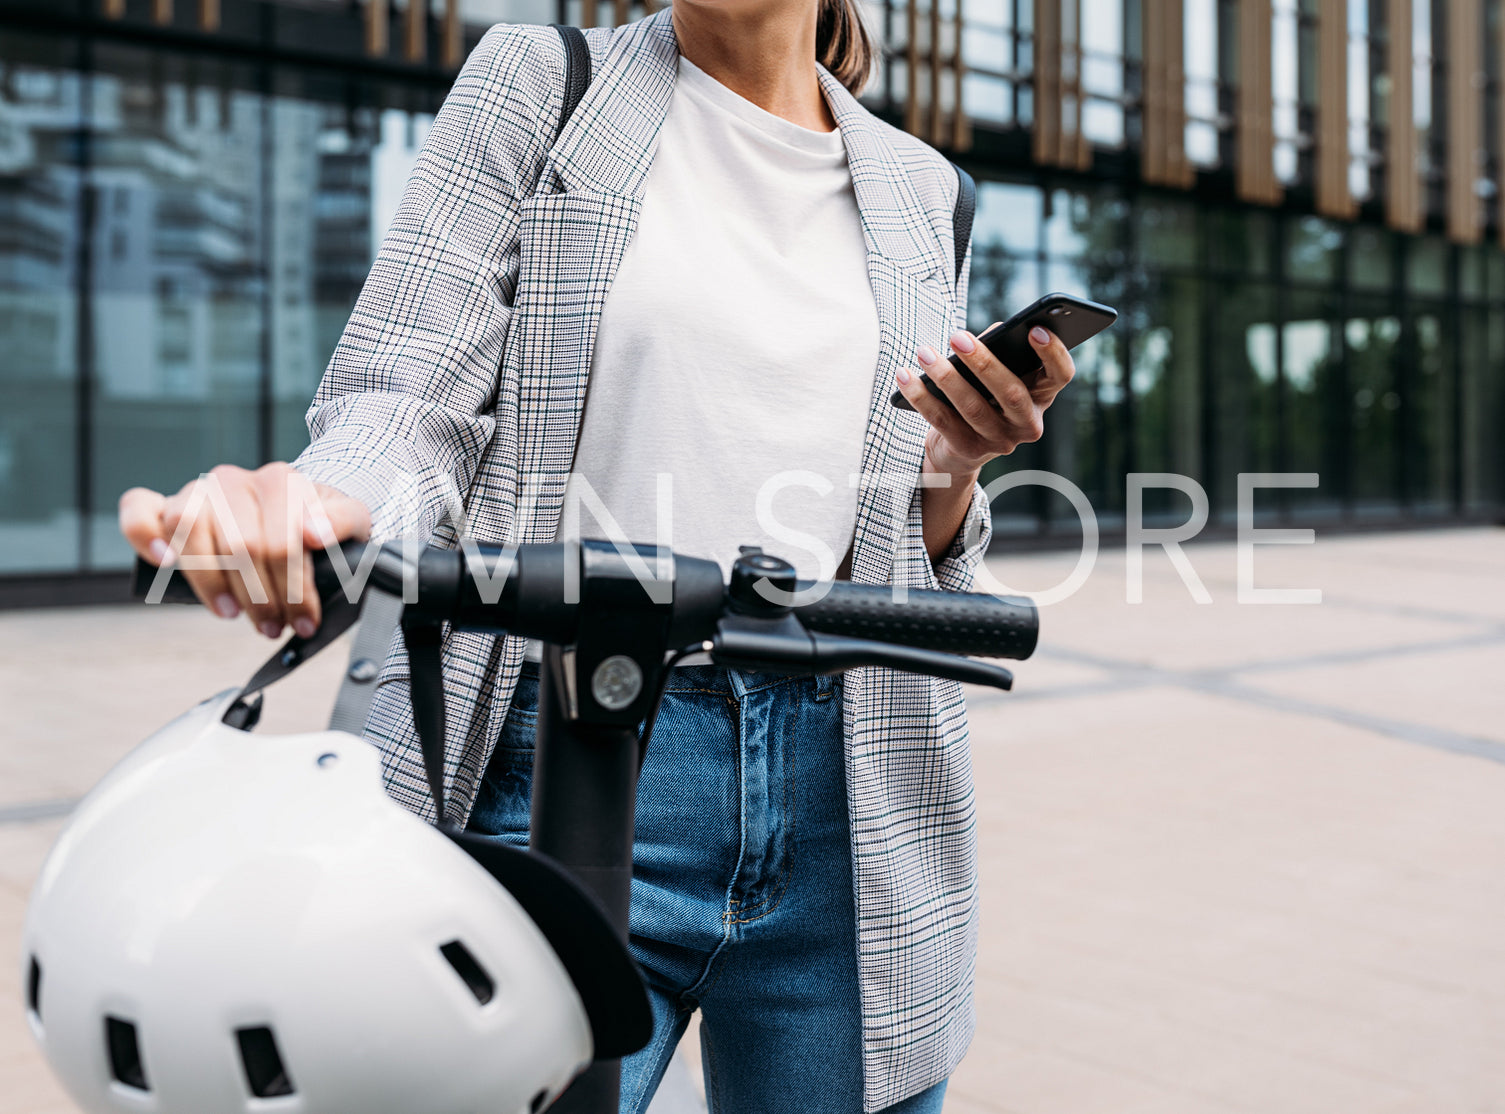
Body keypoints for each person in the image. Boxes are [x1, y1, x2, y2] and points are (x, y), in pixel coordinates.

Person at [118, 1, 1076, 1111]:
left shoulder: (920, 189)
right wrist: (318, 499)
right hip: (566, 754)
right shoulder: (542, 84)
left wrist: (954, 461)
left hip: (850, 789)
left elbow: (895, 539)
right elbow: (407, 400)